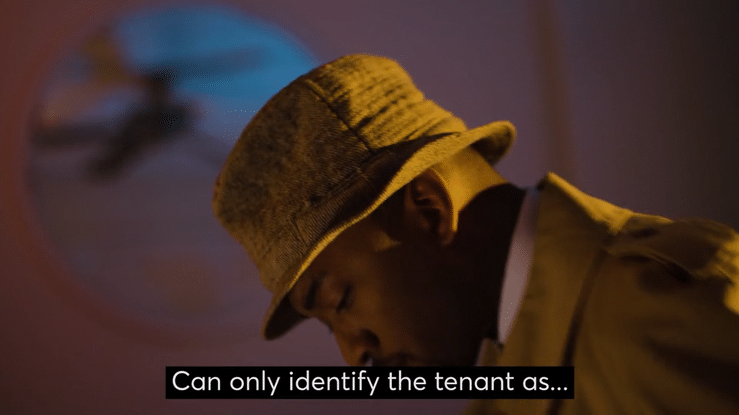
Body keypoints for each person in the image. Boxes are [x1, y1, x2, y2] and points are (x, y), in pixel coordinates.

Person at [212, 54, 739, 414]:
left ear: (429, 208)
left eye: (338, 299)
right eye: (330, 328)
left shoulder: (667, 308)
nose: (355, 356)